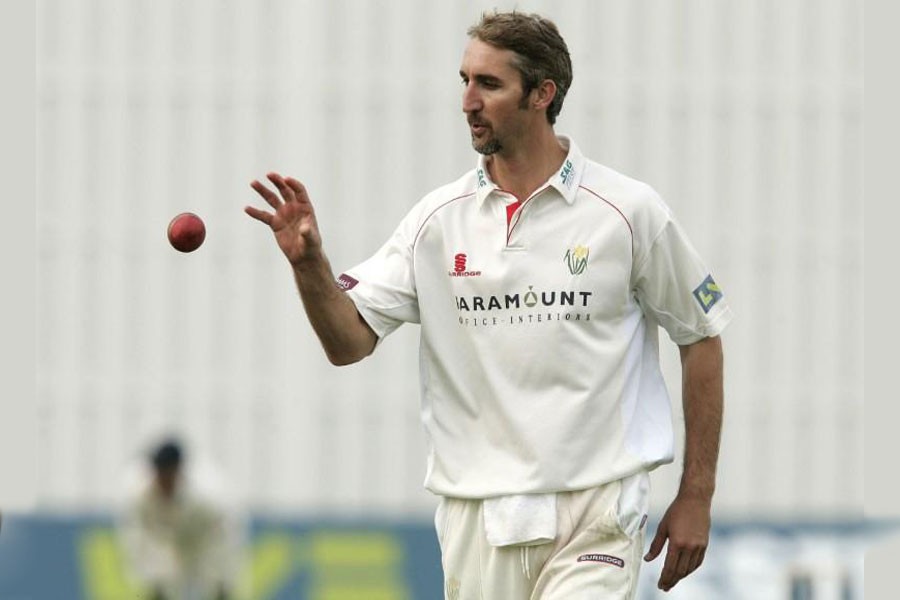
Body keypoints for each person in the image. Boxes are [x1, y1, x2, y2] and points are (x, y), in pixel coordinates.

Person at [245, 10, 731, 599]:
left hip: (598, 509)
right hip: (475, 515)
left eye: (489, 84)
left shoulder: (628, 211)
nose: (468, 101)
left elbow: (700, 335)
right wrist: (309, 267)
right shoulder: (435, 221)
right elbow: (347, 342)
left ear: (542, 94)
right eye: (464, 80)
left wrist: (696, 494)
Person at [118, 437, 242, 600]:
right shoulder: (140, 492)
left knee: (217, 580)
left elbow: (222, 533)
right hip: (171, 538)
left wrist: (217, 576)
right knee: (160, 575)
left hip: (211, 535)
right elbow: (139, 535)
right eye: (159, 471)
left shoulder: (206, 495)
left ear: (177, 471)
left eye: (166, 472)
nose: (161, 478)